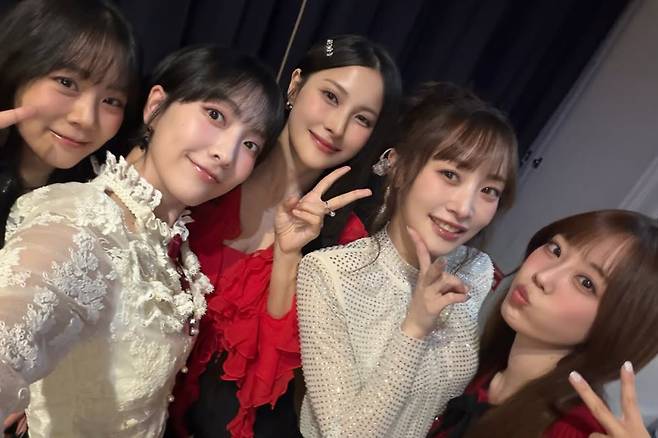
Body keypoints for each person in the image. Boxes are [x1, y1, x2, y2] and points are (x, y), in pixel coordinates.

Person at [0, 45, 284, 438]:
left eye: (250, 143)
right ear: (156, 107)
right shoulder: (82, 221)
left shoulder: (171, 240)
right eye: (215, 115)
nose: (226, 153)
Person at [167, 34, 402, 437]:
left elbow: (268, 379)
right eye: (331, 96)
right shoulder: (214, 165)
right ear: (295, 84)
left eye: (362, 119)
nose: (337, 127)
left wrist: (288, 256)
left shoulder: (348, 244)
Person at [295, 81, 518, 437]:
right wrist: (414, 328)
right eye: (450, 175)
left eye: (489, 190)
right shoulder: (329, 273)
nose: (465, 208)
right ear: (398, 168)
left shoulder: (475, 270)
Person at [428, 209, 658, 438]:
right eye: (555, 250)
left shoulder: (572, 430)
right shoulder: (476, 368)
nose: (543, 277)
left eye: (585, 283)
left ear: (617, 329)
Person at [0, 0, 140, 248]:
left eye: (111, 101)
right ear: (16, 70)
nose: (85, 119)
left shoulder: (103, 200)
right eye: (67, 83)